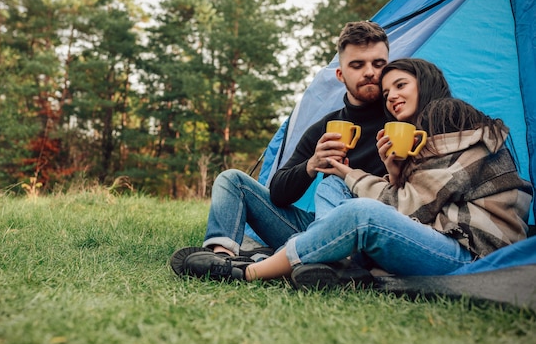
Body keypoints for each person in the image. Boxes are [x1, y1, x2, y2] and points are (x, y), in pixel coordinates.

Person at [181, 58, 533, 288]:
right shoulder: (410, 136)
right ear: (341, 74)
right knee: (333, 183)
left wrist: (382, 175)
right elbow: (423, 202)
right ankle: (314, 256)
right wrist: (382, 170)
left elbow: (411, 208)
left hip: (472, 254)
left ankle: (249, 270)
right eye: (386, 91)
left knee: (361, 213)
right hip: (440, 236)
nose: (391, 97)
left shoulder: (446, 116)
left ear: (425, 84)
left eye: (401, 85)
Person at [170, 21, 390, 275]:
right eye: (357, 65)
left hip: (370, 231)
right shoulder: (326, 127)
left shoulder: (403, 120)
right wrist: (311, 166)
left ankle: (288, 261)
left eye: (378, 64)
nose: (370, 72)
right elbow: (278, 193)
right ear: (340, 74)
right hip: (318, 225)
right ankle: (223, 259)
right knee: (232, 180)